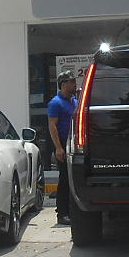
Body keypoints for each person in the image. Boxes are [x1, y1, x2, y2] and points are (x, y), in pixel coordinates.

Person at [47, 69, 77, 225]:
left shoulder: (74, 100)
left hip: (74, 142)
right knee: (64, 178)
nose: (74, 84)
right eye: (72, 82)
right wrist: (59, 148)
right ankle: (62, 213)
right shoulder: (55, 103)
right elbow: (52, 126)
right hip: (63, 143)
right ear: (63, 84)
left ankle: (72, 211)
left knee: (73, 178)